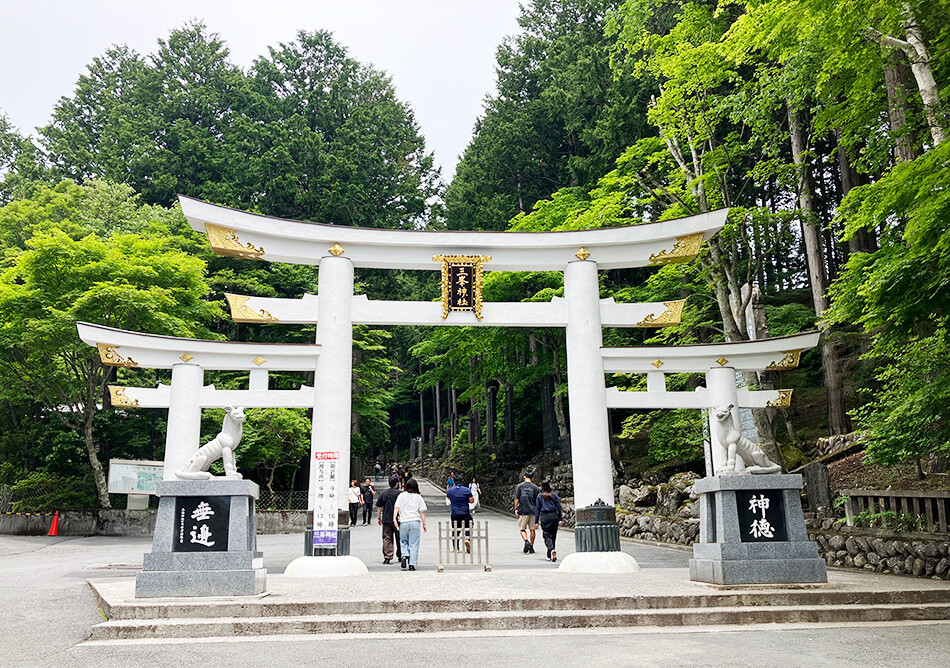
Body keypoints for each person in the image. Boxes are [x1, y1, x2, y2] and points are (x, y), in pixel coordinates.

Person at [394, 477, 427, 571]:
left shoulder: (401, 496)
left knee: (403, 541)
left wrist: (394, 519)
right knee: (414, 543)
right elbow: (422, 512)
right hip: (415, 521)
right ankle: (412, 564)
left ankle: (404, 555)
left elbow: (396, 508)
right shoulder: (418, 497)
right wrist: (424, 524)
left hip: (404, 521)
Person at [534, 480, 563, 562]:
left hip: (545, 516)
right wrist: (560, 518)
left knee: (547, 535)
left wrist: (536, 521)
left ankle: (551, 549)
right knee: (553, 535)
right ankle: (550, 552)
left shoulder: (540, 496)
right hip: (554, 516)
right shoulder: (554, 495)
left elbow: (537, 509)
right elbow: (559, 508)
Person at [376, 476, 402, 564]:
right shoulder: (400, 494)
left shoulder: (384, 493)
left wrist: (379, 517)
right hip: (398, 520)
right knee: (400, 538)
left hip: (386, 518)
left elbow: (379, 507)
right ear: (397, 483)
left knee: (387, 538)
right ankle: (401, 555)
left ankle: (387, 557)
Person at [513, 470, 540, 554]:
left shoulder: (520, 486)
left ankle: (526, 541)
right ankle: (531, 546)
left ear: (524, 477)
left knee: (522, 529)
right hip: (533, 510)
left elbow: (516, 498)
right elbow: (538, 500)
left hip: (523, 510)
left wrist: (516, 508)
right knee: (532, 529)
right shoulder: (536, 488)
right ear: (532, 478)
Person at [445, 480, 475, 552]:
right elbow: (472, 500)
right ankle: (467, 539)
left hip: (455, 513)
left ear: (454, 482)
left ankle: (456, 548)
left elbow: (449, 498)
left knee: (455, 530)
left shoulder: (450, 490)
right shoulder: (466, 490)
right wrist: (465, 499)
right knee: (469, 526)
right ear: (462, 482)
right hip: (465, 513)